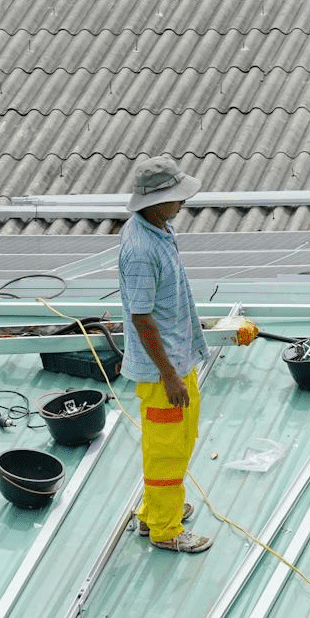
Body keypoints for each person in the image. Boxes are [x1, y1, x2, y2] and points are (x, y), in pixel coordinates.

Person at [118, 153, 211, 553]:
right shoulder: (141, 249)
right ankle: (165, 529)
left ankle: (156, 510)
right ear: (154, 202)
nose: (182, 204)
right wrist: (169, 375)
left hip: (177, 356)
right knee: (167, 451)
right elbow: (142, 319)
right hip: (162, 371)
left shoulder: (159, 229)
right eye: (176, 198)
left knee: (180, 438)